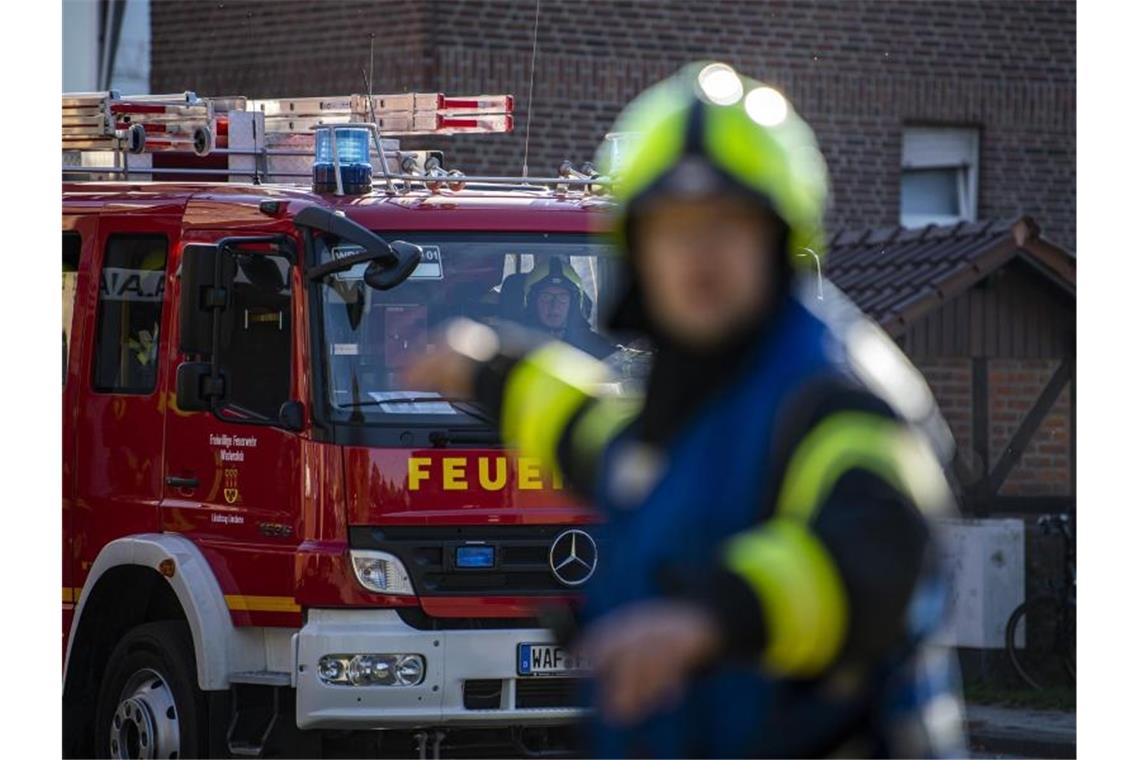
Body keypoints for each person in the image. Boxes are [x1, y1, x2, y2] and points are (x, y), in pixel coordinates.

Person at [406, 62, 965, 758]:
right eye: (673, 228)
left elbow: (877, 547)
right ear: (638, 250)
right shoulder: (699, 395)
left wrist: (712, 618)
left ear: (777, 238)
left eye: (726, 224)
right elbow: (608, 445)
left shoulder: (837, 394)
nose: (698, 255)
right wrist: (490, 372)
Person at [519, 257, 616, 358]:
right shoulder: (513, 347)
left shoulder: (597, 348)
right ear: (532, 302)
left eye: (563, 297)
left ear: (574, 304)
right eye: (546, 296)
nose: (554, 305)